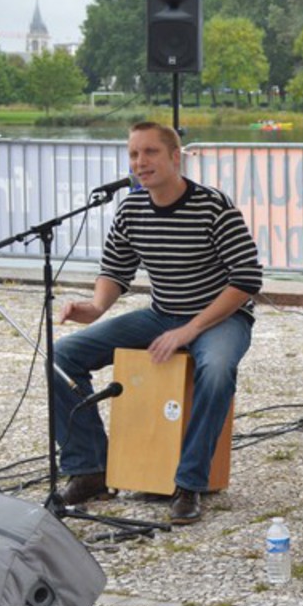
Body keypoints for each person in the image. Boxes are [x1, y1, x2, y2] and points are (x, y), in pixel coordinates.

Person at [53, 121, 262, 524]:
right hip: (162, 313)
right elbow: (115, 269)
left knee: (217, 370)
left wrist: (190, 329)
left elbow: (247, 280)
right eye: (133, 154)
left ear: (175, 157)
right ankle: (90, 468)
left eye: (150, 152)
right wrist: (95, 306)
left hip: (220, 317)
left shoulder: (213, 205)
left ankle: (189, 483)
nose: (140, 162)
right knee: (61, 356)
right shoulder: (131, 208)